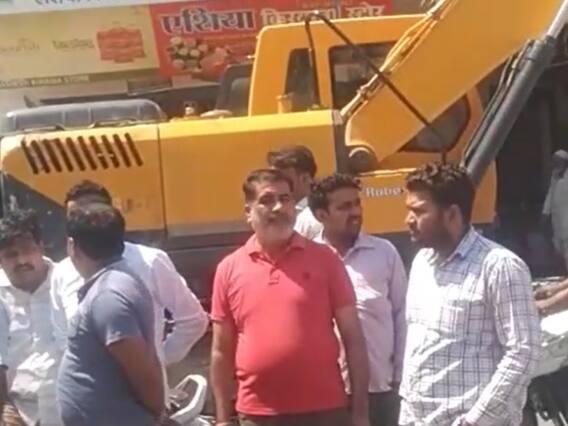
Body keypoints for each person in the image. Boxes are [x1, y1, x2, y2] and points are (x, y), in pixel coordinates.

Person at [210, 168, 370, 426]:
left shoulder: (325, 260)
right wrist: (222, 418)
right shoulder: (229, 269)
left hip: (324, 411)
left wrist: (361, 413)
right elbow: (221, 351)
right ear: (248, 212)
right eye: (267, 200)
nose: (278, 207)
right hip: (258, 414)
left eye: (285, 199)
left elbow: (354, 339)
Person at [400, 162, 541, 426]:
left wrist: (475, 421)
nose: (408, 220)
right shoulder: (422, 263)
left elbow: (523, 353)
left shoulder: (499, 267)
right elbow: (418, 347)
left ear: (452, 214)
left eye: (419, 211)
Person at [50, 181, 208, 394]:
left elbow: (193, 320)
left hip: (142, 398)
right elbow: (63, 339)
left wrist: (156, 361)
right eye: (76, 217)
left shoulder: (150, 261)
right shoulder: (61, 273)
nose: (87, 223)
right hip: (91, 399)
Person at [310, 173, 407, 426]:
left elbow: (403, 315)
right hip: (328, 394)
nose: (355, 212)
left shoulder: (384, 253)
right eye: (344, 207)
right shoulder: (308, 260)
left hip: (381, 389)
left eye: (356, 203)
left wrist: (401, 375)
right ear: (321, 215)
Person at [57, 202, 165, 426]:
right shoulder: (116, 282)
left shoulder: (107, 297)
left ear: (72, 246)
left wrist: (156, 414)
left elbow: (142, 374)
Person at [0, 209, 60, 426]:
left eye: (27, 250)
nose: (22, 260)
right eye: (11, 255)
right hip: (16, 410)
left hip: (67, 406)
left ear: (41, 248)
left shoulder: (67, 282)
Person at [267, 145, 323, 239]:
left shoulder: (313, 217)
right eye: (273, 178)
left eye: (282, 178)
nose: (274, 183)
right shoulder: (280, 212)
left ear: (305, 178)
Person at [542, 149, 568, 271]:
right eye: (554, 161)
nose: (556, 163)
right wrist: (545, 213)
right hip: (557, 218)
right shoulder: (555, 175)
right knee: (559, 247)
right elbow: (550, 194)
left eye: (558, 161)